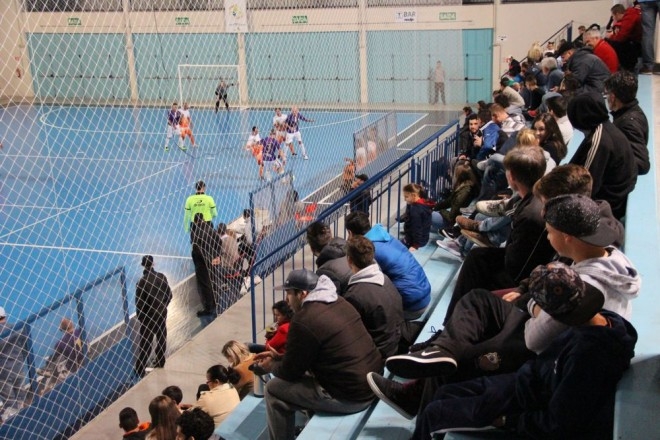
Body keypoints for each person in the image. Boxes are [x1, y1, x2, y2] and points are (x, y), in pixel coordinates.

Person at [410, 263, 637, 440]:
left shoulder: (588, 357)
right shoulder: (606, 320)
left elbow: (557, 423)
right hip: (522, 382)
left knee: (434, 415)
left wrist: (505, 420)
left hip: (522, 406)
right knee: (443, 392)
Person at [252, 269, 383, 440]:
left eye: (289, 293)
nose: (286, 300)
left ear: (302, 294)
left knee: (274, 389)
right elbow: (312, 354)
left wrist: (271, 366)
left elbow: (290, 373)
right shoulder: (339, 301)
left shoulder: (304, 320)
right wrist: (279, 358)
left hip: (352, 397)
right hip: (371, 382)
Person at [443, 146, 555, 324]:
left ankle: (453, 324)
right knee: (476, 256)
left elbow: (518, 266)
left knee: (476, 268)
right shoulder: (530, 198)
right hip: (519, 259)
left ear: (511, 177)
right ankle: (450, 322)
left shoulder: (530, 215)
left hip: (520, 274)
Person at [345, 211, 431, 321]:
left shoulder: (368, 251)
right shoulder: (385, 237)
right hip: (424, 292)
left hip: (412, 306)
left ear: (350, 233)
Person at [568, 92, 638, 220]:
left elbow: (586, 184)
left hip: (612, 204)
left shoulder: (600, 141)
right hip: (617, 194)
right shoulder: (603, 127)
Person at [345, 236, 404, 359]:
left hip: (378, 353)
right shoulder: (384, 278)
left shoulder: (355, 295)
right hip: (394, 341)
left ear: (349, 260)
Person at [605, 70, 650, 176]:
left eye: (606, 94)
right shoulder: (630, 113)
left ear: (612, 97)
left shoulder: (629, 123)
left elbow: (642, 165)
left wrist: (610, 165)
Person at [135, 255, 172, 377]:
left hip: (148, 316)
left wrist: (142, 318)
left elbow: (139, 304)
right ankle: (160, 360)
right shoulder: (161, 277)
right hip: (161, 313)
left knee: (146, 342)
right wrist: (163, 306)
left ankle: (140, 367)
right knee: (161, 336)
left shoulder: (141, 282)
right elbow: (169, 295)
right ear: (153, 263)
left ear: (142, 265)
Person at [306, 221, 353, 294]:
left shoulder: (324, 271)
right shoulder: (353, 249)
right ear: (331, 238)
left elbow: (332, 300)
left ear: (312, 249)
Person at [431, 160, 479, 232]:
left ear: (459, 176)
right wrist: (435, 206)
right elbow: (449, 201)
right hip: (453, 217)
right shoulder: (465, 187)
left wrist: (440, 211)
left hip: (452, 222)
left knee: (423, 213)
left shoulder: (464, 192)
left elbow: (451, 217)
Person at [191, 213, 222, 317]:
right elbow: (219, 242)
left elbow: (197, 250)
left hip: (203, 264)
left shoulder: (195, 233)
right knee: (213, 281)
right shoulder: (211, 230)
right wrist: (217, 256)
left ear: (195, 221)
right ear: (203, 219)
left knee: (205, 285)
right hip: (213, 261)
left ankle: (209, 308)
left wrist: (205, 259)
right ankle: (216, 301)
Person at [0, 307, 28, 414]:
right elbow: (25, 347)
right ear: (5, 316)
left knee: (9, 402)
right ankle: (25, 415)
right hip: (18, 367)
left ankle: (14, 420)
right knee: (21, 397)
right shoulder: (16, 329)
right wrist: (21, 360)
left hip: (3, 373)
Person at [400, 183, 434, 251]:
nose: (404, 199)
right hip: (424, 238)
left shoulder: (416, 210)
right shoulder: (424, 204)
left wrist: (415, 245)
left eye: (406, 197)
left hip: (415, 241)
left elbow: (417, 228)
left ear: (413, 196)